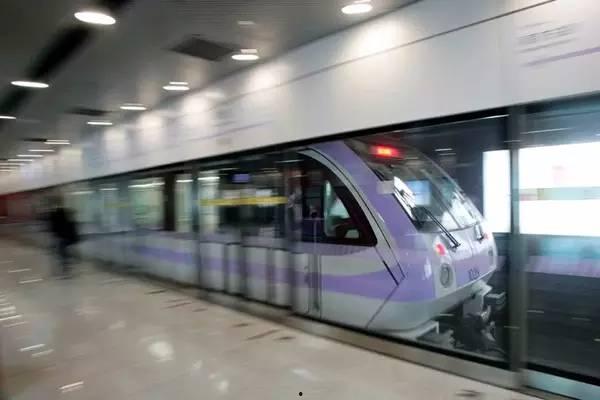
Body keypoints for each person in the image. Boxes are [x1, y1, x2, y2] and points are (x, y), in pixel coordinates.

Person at [48, 197, 79, 278]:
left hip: (61, 237)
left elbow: (53, 227)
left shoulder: (55, 214)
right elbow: (71, 226)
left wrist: (54, 234)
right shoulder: (65, 213)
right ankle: (66, 268)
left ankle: (65, 269)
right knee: (63, 252)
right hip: (65, 236)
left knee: (61, 253)